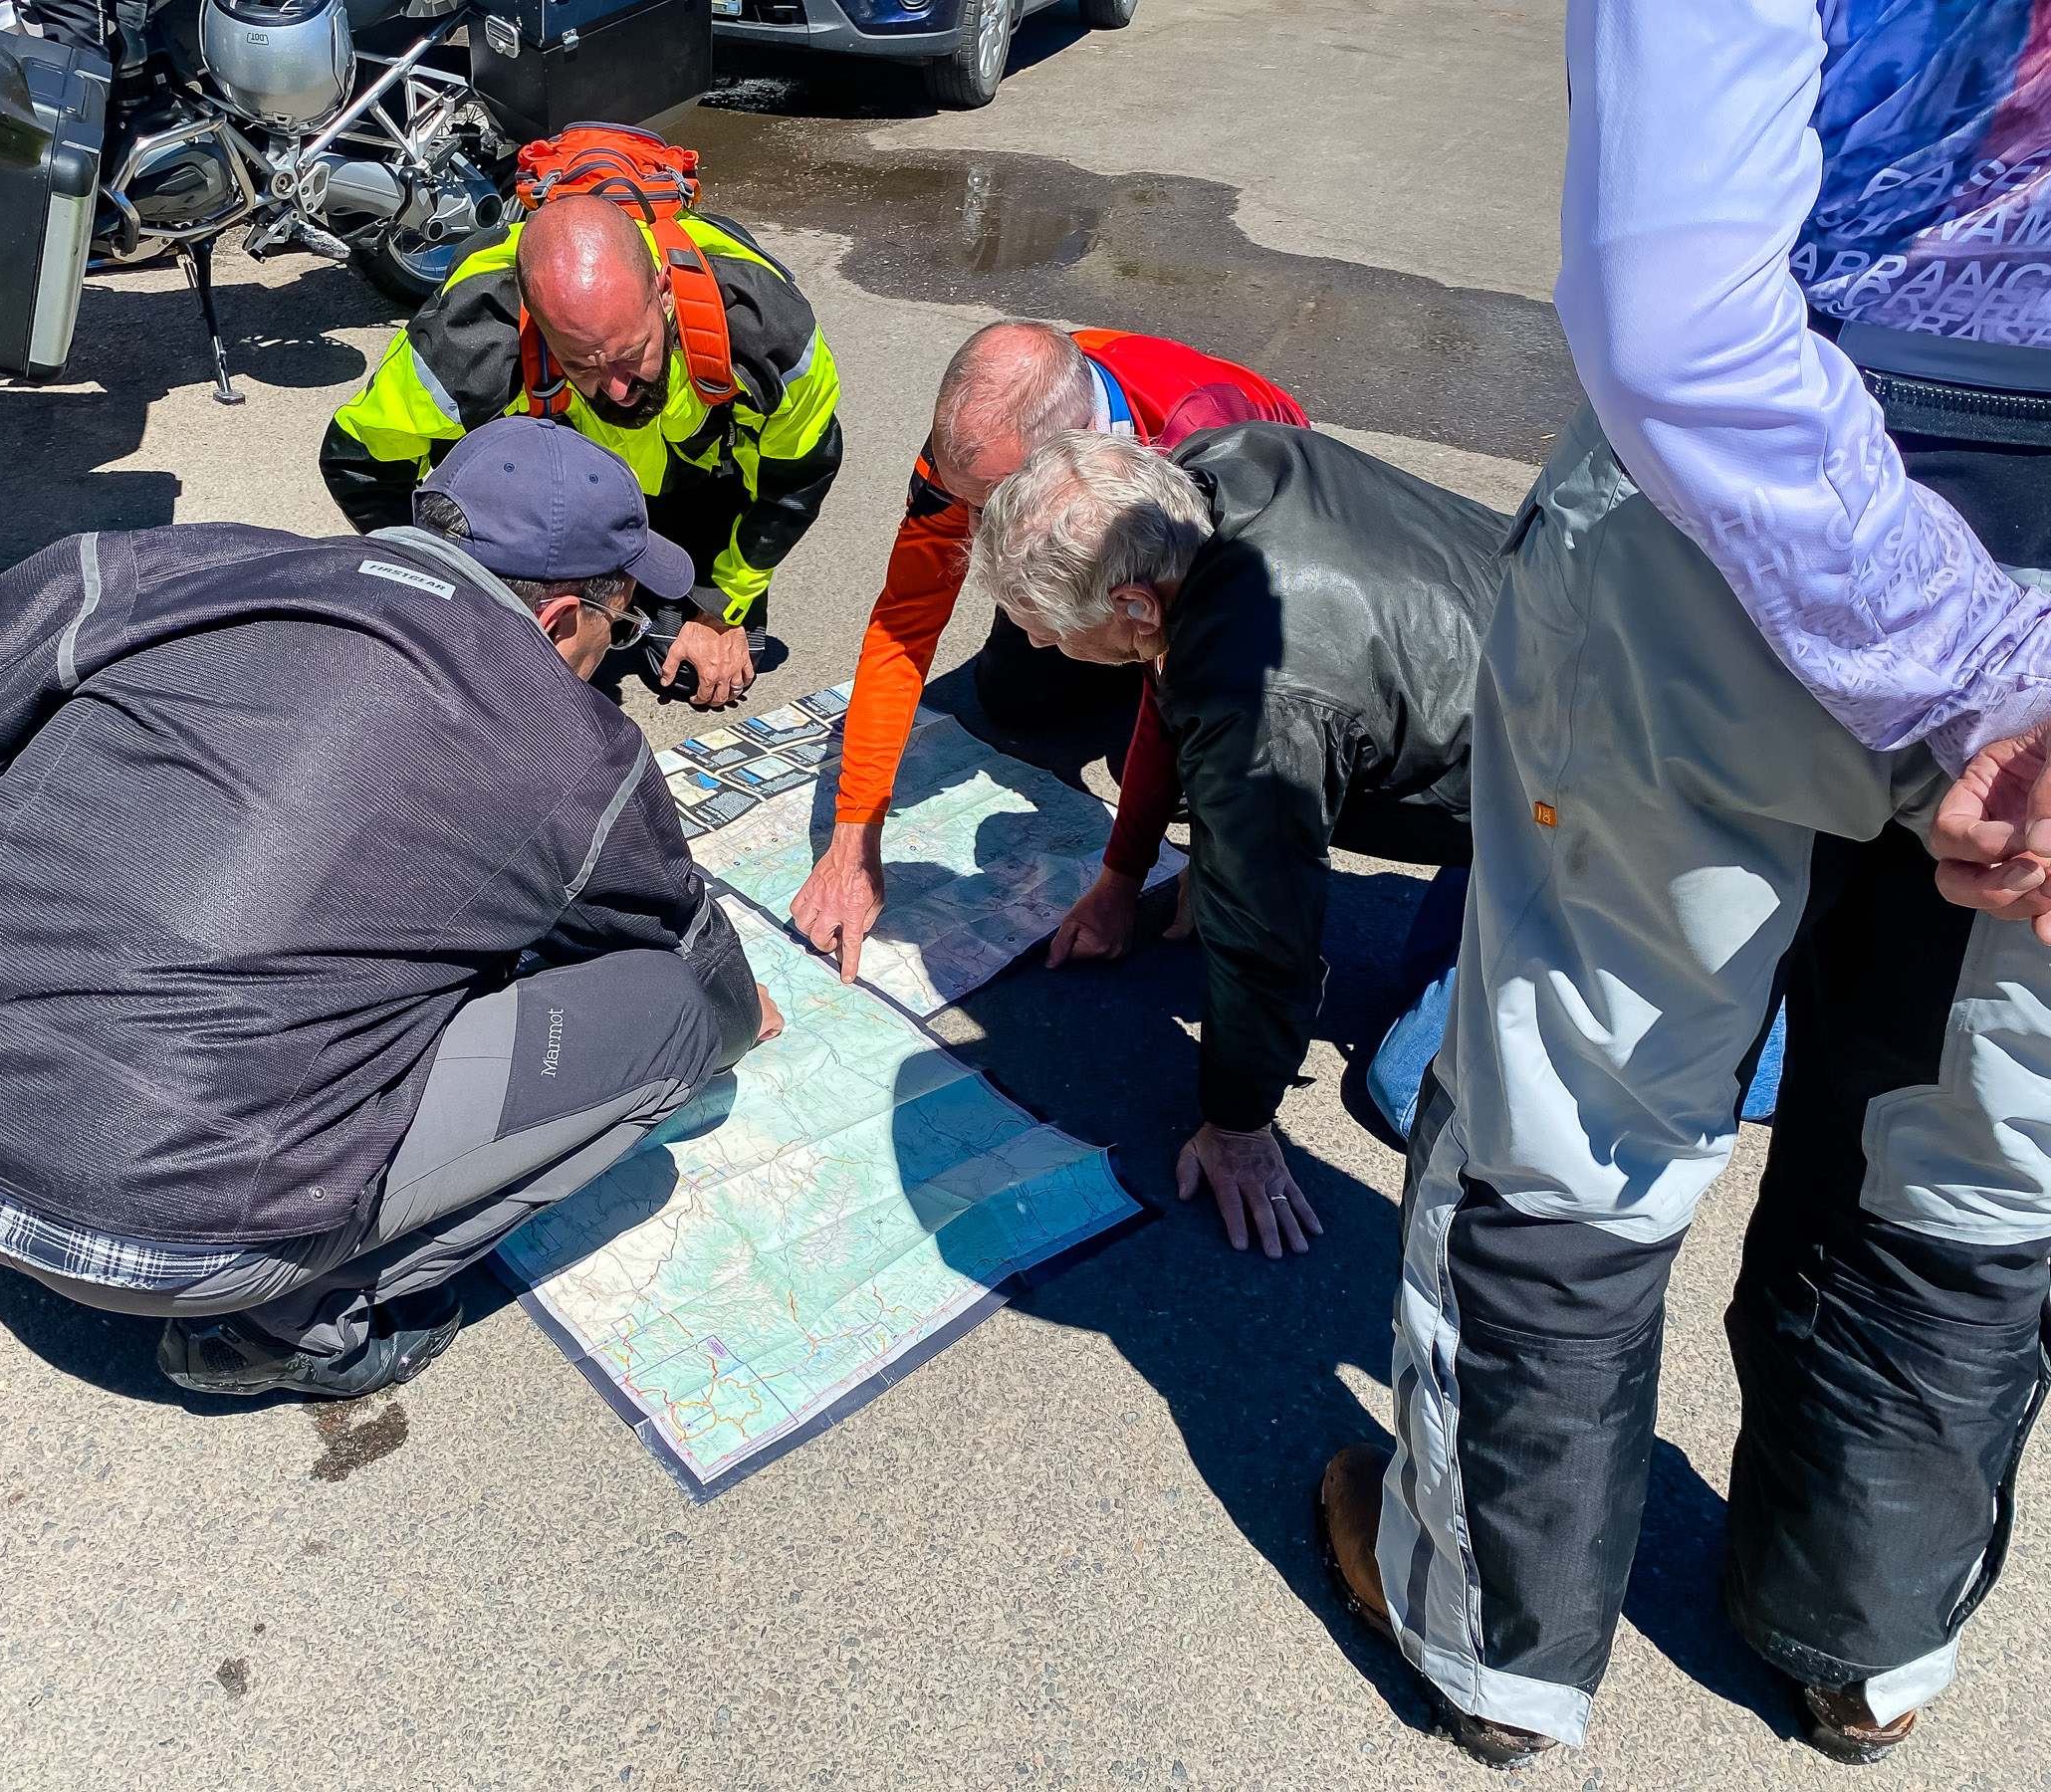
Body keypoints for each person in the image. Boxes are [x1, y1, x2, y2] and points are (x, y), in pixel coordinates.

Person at [1316, 0, 2051, 1770]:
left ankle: (1497, 1644)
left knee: (1580, 1092)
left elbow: (1672, 309)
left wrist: (1953, 667)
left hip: (1741, 495)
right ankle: (1863, 1642)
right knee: (1979, 1137)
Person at [0, 417, 782, 1401]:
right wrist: (739, 1009)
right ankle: (292, 1325)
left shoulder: (160, 564)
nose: (606, 657)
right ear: (556, 618)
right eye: (614, 629)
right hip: (162, 1235)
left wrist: (10, 918)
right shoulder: (578, 745)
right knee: (670, 1022)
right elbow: (670, 944)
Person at [967, 426, 1506, 1257]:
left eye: (1044, 628)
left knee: (1409, 1093)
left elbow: (1267, 936)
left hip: (1614, 805)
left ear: (1135, 607)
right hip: (1532, 661)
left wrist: (1238, 1123)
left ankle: (1755, 1018)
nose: (1038, 646)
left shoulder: (1259, 703)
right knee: (1415, 973)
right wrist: (1133, 870)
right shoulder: (1207, 475)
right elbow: (1177, 690)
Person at [789, 320, 1305, 983]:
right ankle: (1105, 649)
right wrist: (853, 840)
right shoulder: (978, 446)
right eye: (968, 503)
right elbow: (902, 626)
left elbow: (1191, 659)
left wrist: (1135, 876)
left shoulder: (1199, 449)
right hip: (1102, 539)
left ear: (1071, 457)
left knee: (1172, 742)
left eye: (992, 507)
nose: (971, 528)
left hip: (1257, 509)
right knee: (1014, 696)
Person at [319, 194, 842, 711]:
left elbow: (794, 481)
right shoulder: (469, 345)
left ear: (664, 293)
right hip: (555, 503)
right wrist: (457, 590)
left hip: (697, 484)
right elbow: (360, 462)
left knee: (690, 671)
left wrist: (718, 610)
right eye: (581, 364)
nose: (616, 388)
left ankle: (666, 581)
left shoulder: (768, 335)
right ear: (536, 325)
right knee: (520, 674)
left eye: (631, 354)